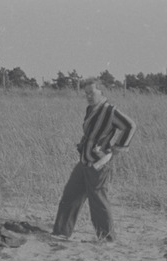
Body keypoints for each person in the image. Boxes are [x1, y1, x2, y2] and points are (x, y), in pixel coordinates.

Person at [52, 78, 136, 242]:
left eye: (92, 92)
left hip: (99, 164)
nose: (88, 96)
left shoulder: (110, 111)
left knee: (98, 202)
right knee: (70, 195)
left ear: (102, 92)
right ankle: (61, 233)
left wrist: (117, 148)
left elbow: (130, 126)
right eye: (86, 93)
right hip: (84, 160)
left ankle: (107, 238)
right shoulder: (90, 109)